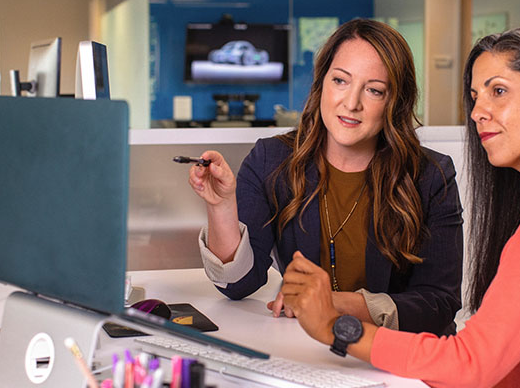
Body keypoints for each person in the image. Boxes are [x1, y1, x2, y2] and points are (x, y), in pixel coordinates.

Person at [279, 24, 520, 387]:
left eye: (498, 91)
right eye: (476, 96)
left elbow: (471, 365)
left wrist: (336, 328)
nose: (477, 111)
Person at [186, 19, 464, 335]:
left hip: (397, 356)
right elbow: (238, 284)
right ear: (322, 84)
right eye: (340, 81)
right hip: (309, 349)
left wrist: (330, 302)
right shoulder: (272, 160)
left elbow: (438, 303)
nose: (351, 103)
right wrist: (222, 205)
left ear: (394, 102)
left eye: (374, 90)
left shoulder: (431, 175)